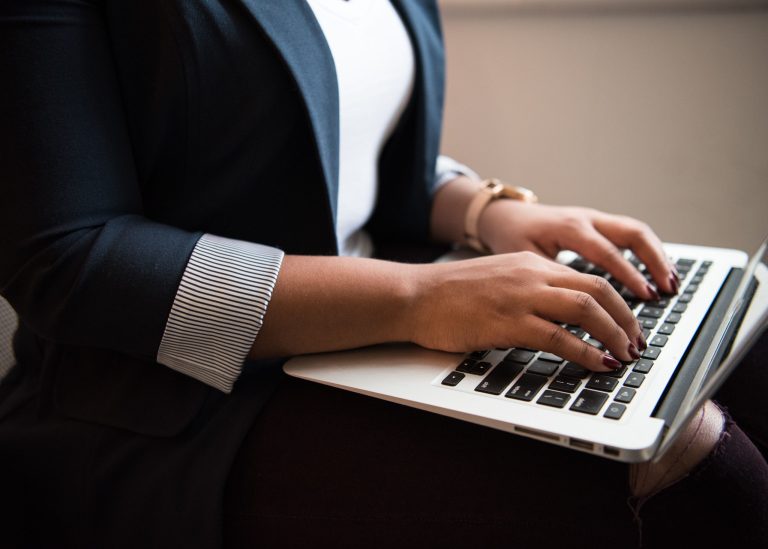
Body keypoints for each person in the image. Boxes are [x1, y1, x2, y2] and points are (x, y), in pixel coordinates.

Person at [0, 1, 765, 547]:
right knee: (695, 465)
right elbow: (70, 256)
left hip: (379, 337)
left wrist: (484, 211)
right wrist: (417, 297)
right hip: (169, 409)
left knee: (743, 349)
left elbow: (337, 143)